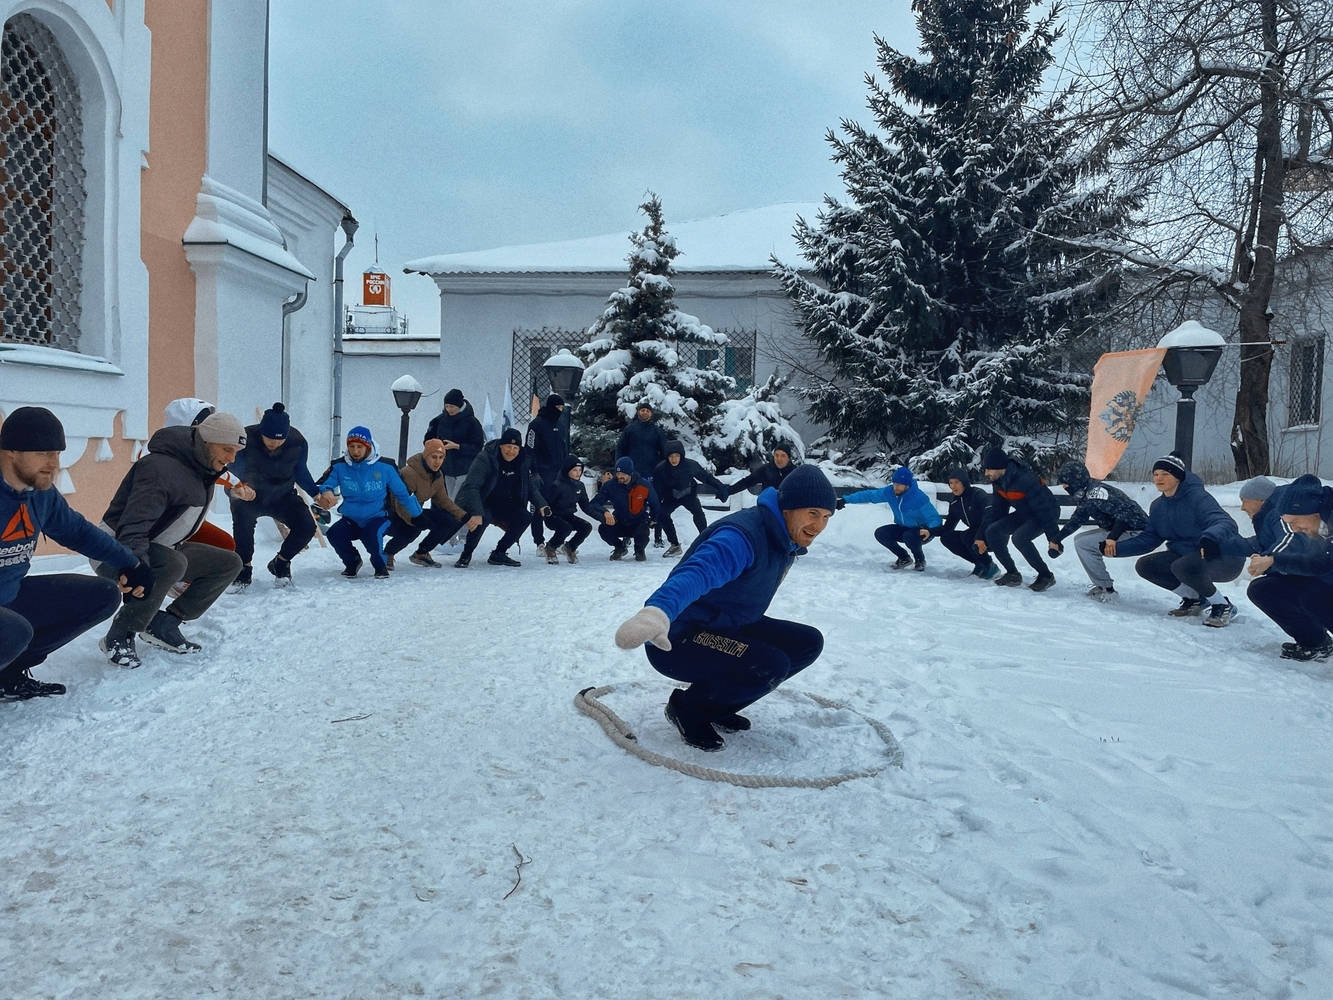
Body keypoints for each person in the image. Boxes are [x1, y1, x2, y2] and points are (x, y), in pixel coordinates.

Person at [613, 464, 837, 752]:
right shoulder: (743, 536)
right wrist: (657, 612)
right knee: (769, 664)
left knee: (806, 643)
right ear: (788, 508)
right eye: (813, 513)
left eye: (826, 517)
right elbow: (697, 573)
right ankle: (688, 709)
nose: (819, 526)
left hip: (726, 624)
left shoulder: (784, 538)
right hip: (678, 637)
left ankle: (717, 703)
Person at [0, 408, 149, 699]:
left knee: (103, 595)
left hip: (10, 597)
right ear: (11, 452)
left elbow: (78, 532)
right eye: (43, 453)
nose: (54, 464)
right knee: (14, 630)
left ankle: (7, 675)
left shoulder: (40, 494)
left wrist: (131, 563)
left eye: (57, 453)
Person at [96, 411, 247, 666]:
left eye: (236, 452)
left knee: (229, 563)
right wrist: (134, 567)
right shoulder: (161, 469)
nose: (231, 458)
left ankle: (164, 624)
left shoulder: (202, 466)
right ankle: (120, 634)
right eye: (227, 449)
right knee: (173, 563)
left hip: (160, 546)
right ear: (207, 441)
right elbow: (134, 525)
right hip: (115, 549)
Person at [1108, 452, 1243, 625]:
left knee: (1183, 565)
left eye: (1165, 474)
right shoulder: (1158, 506)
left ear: (1178, 477)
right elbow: (1149, 538)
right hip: (1188, 556)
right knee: (1146, 565)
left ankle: (1222, 605)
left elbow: (1225, 522)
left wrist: (1210, 538)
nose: (1159, 478)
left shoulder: (1198, 498)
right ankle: (1194, 598)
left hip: (1222, 555)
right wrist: (1116, 549)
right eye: (1156, 474)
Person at [227, 402, 320, 589]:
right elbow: (233, 470)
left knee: (306, 526)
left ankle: (281, 563)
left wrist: (316, 494)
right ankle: (244, 570)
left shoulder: (298, 442)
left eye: (279, 440)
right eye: (269, 439)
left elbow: (301, 471)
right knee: (243, 526)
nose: (274, 444)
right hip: (250, 495)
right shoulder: (245, 439)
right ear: (261, 431)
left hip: (282, 496)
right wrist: (237, 489)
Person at [315, 426, 421, 580]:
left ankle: (380, 566)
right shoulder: (339, 466)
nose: (355, 451)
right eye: (351, 446)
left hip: (378, 516)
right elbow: (323, 484)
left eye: (360, 447)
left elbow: (403, 493)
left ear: (368, 446)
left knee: (371, 536)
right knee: (334, 534)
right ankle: (353, 561)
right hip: (351, 517)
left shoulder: (385, 466)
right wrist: (327, 491)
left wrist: (418, 516)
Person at [1246, 474, 1333, 660]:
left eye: (1294, 522)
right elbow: (1320, 563)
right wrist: (1273, 560)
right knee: (1266, 589)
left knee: (1317, 599)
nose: (1294, 529)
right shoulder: (1325, 530)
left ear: (1313, 513)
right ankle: (1316, 643)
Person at [1052, 461, 1149, 601]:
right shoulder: (1088, 493)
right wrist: (1057, 539)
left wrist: (1112, 538)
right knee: (1079, 539)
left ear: (1075, 481)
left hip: (1139, 533)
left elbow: (1125, 513)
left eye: (1066, 483)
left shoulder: (1098, 493)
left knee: (1084, 544)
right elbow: (1078, 519)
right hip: (1129, 530)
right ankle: (1103, 586)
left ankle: (1107, 590)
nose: (1064, 487)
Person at [454, 427, 551, 568]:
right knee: (483, 517)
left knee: (524, 517)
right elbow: (471, 486)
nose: (511, 451)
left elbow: (529, 486)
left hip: (504, 503)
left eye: (515, 448)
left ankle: (499, 552)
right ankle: (466, 554)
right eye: (508, 446)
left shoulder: (522, 461)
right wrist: (476, 512)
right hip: (482, 501)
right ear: (500, 446)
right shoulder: (486, 457)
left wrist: (542, 504)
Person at [981, 448, 1062, 591]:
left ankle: (1046, 576)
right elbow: (998, 511)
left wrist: (1054, 539)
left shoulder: (1026, 480)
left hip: (1046, 513)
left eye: (989, 469)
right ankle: (1012, 574)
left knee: (1020, 538)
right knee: (992, 531)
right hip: (1025, 513)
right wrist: (983, 537)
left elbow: (1045, 509)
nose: (986, 473)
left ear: (1000, 467)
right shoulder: (998, 481)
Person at [838, 466, 942, 570]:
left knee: (909, 536)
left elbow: (934, 518)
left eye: (899, 485)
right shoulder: (890, 492)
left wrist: (930, 531)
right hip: (903, 527)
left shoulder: (919, 498)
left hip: (922, 531)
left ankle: (920, 560)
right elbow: (870, 495)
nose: (896, 487)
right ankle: (904, 558)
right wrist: (845, 500)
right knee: (881, 533)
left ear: (907, 485)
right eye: (894, 483)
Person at [384, 438, 467, 568]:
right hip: (392, 515)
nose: (437, 461)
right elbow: (401, 504)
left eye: (441, 457)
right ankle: (387, 553)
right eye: (434, 457)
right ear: (425, 456)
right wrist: (416, 519)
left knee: (448, 520)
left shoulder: (437, 475)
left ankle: (422, 553)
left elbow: (443, 501)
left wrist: (464, 515)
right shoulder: (409, 473)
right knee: (413, 528)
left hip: (416, 512)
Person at [652, 440, 728, 557]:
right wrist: (654, 514)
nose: (674, 459)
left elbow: (707, 478)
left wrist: (721, 487)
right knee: (662, 514)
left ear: (681, 455)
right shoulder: (660, 470)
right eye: (671, 456)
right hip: (670, 496)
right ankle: (675, 545)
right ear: (666, 457)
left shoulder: (691, 465)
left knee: (698, 513)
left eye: (677, 456)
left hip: (689, 494)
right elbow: (657, 492)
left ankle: (706, 540)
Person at [591, 457, 664, 562]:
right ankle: (620, 547)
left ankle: (639, 550)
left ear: (630, 473)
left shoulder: (644, 485)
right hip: (619, 520)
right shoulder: (610, 485)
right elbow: (595, 502)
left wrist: (654, 519)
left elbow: (654, 503)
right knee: (604, 529)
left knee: (642, 533)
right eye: (617, 473)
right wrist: (605, 512)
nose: (620, 476)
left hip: (639, 521)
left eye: (623, 474)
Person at [423, 389, 486, 499]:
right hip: (447, 468)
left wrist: (458, 446)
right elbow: (429, 439)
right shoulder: (440, 420)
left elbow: (477, 447)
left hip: (465, 469)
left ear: (460, 406)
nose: (449, 409)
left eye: (452, 406)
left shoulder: (472, 422)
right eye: (446, 406)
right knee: (450, 500)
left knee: (458, 500)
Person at [937, 468, 997, 578]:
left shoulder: (978, 494)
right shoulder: (955, 502)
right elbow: (948, 527)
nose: (953, 486)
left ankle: (990, 565)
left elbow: (989, 516)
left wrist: (980, 536)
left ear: (964, 482)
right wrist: (930, 532)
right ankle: (979, 563)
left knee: (968, 536)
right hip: (974, 535)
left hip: (992, 532)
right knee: (947, 537)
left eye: (957, 482)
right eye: (951, 483)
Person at [540, 455, 601, 563]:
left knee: (586, 527)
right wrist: (545, 515)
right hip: (553, 517)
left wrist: (602, 518)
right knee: (566, 527)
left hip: (569, 516)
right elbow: (546, 504)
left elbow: (586, 506)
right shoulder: (557, 486)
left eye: (580, 470)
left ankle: (570, 547)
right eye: (574, 470)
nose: (578, 473)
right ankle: (550, 547)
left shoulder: (580, 486)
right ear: (567, 471)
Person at [526, 393, 569, 548]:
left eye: (562, 407)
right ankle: (539, 542)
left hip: (559, 473)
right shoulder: (536, 425)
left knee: (560, 507)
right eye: (557, 407)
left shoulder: (561, 426)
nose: (560, 410)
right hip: (542, 473)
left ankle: (559, 539)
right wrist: (534, 472)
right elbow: (529, 450)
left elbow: (565, 449)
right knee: (539, 507)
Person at [728, 444, 798, 495]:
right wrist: (728, 491)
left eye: (783, 456)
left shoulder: (795, 473)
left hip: (788, 509)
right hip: (767, 507)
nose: (779, 459)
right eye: (776, 455)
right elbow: (748, 481)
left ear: (789, 458)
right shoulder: (767, 469)